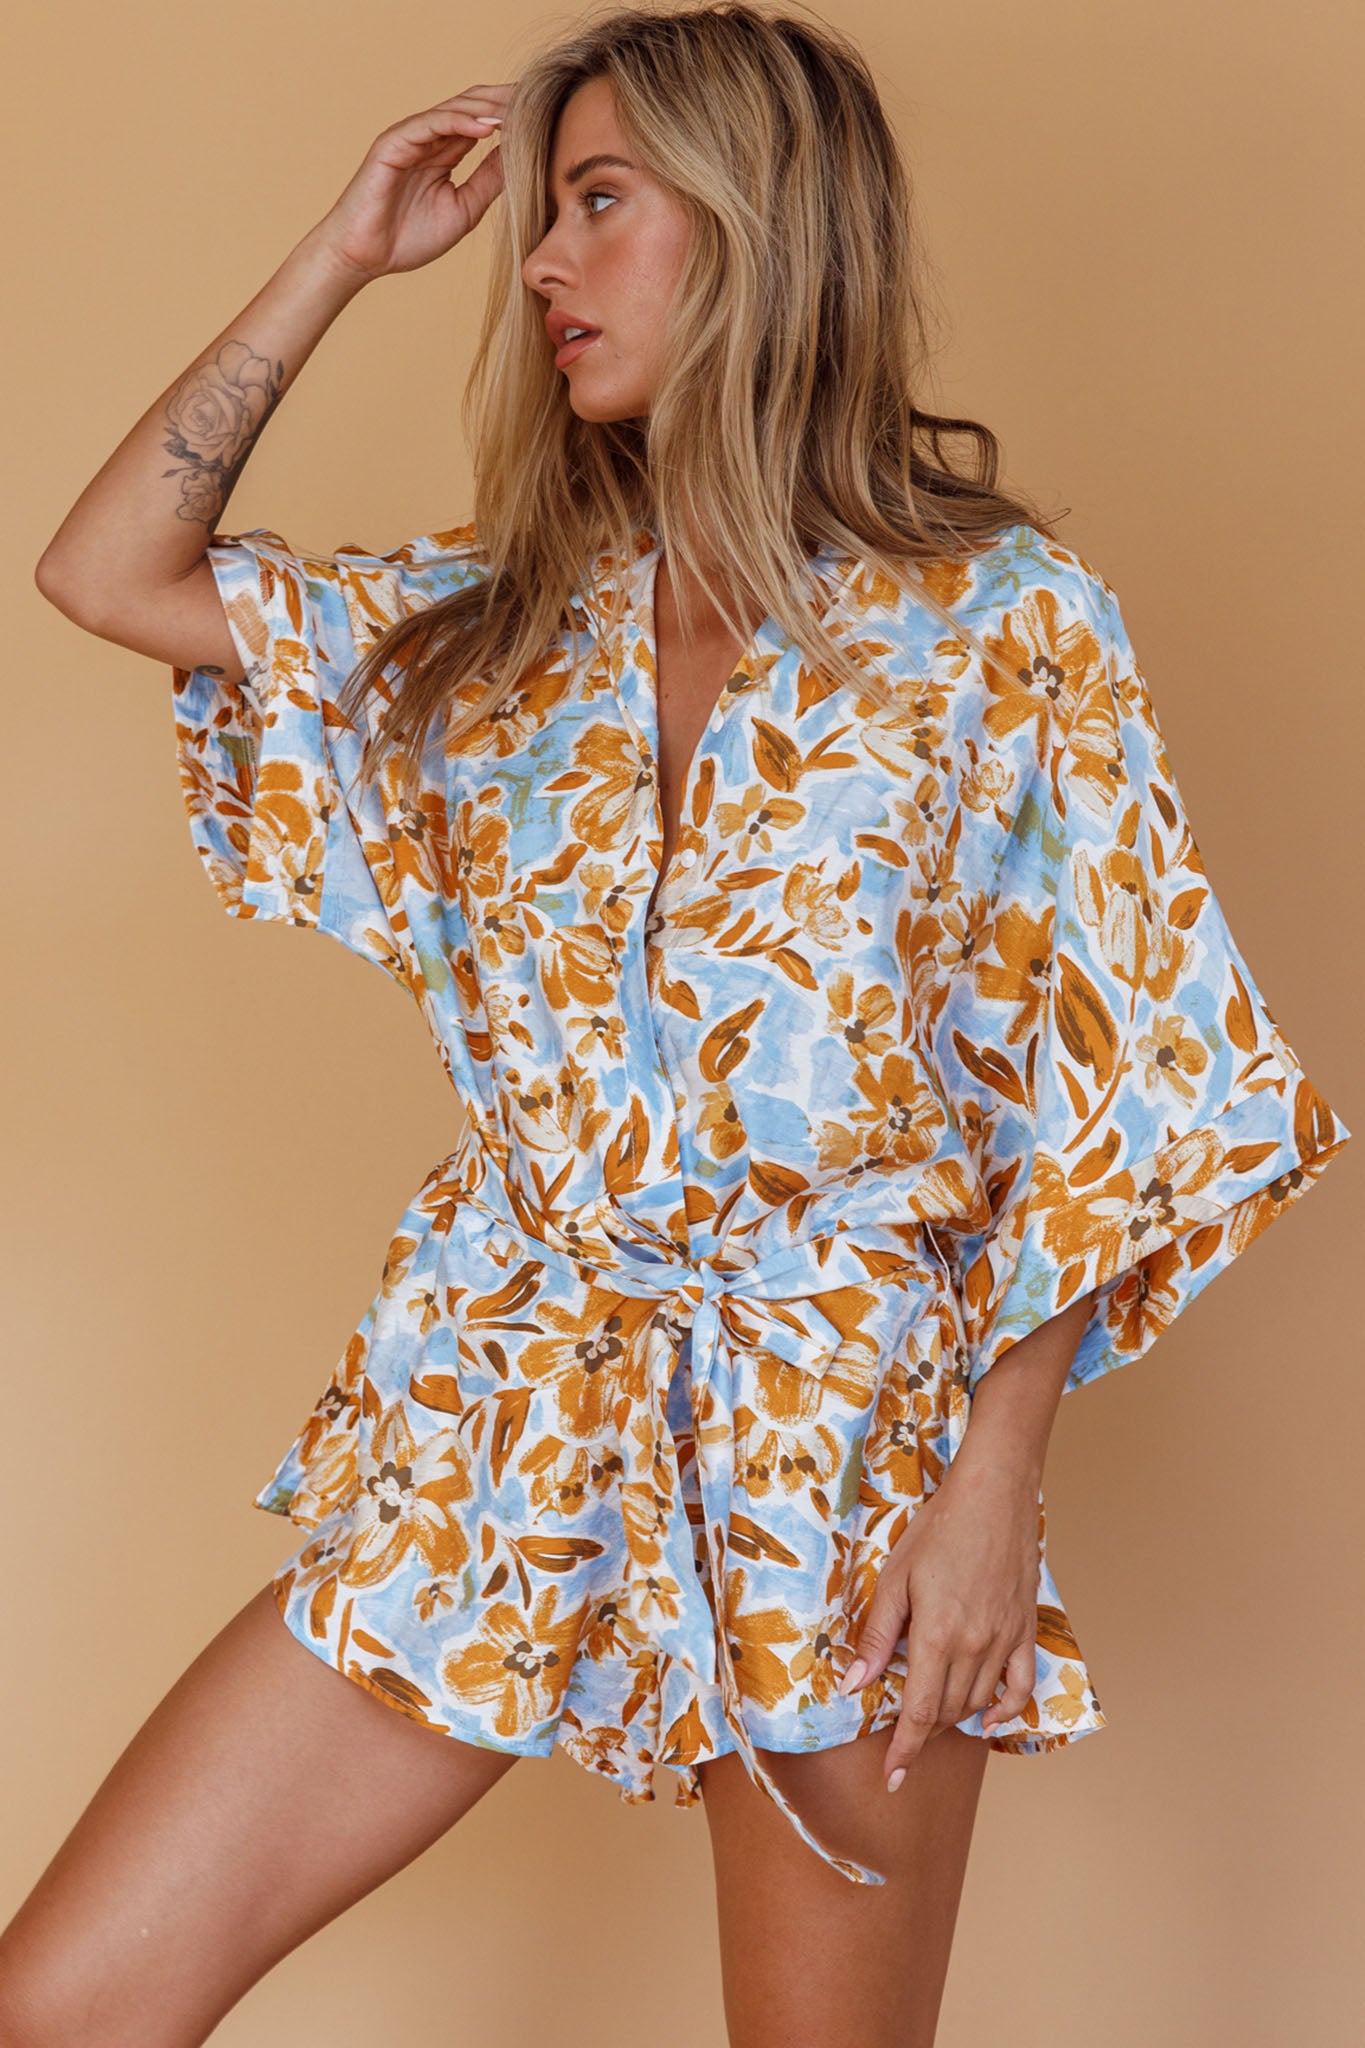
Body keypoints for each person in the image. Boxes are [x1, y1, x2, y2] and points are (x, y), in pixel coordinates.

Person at [13, 4, 1351, 2044]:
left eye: (598, 204)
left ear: (753, 223)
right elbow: (106, 570)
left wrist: (989, 1492)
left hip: (844, 1444)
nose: (541, 264)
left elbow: (1118, 1076)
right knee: (66, 2003)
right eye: (541, 218)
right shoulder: (486, 634)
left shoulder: (992, 625)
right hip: (507, 1394)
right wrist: (340, 257)